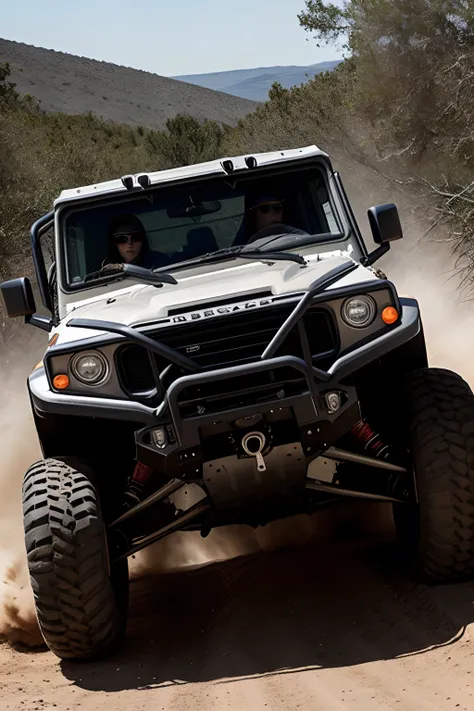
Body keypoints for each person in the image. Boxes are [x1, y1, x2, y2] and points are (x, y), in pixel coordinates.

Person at [104, 213, 170, 269]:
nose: (130, 243)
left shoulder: (161, 263)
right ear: (114, 243)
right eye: (121, 239)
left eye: (136, 237)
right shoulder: (106, 270)